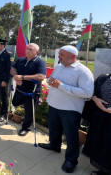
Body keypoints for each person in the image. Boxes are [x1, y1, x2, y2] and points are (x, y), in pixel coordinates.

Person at [38, 45, 94, 173]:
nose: (59, 56)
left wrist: (61, 86)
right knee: (54, 128)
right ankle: (54, 145)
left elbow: (87, 93)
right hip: (53, 104)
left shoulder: (83, 71)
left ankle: (71, 160)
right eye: (60, 54)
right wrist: (50, 81)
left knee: (71, 136)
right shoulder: (58, 66)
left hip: (70, 109)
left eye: (62, 54)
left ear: (72, 56)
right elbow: (51, 80)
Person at [11, 43, 46, 136]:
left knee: (29, 111)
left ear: (36, 52)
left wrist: (22, 77)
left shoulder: (40, 62)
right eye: (27, 48)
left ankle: (25, 128)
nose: (27, 50)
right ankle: (20, 116)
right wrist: (15, 77)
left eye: (30, 49)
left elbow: (41, 76)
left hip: (31, 91)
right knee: (15, 103)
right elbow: (13, 68)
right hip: (20, 89)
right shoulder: (21, 59)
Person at [82, 74, 111, 175]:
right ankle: (102, 170)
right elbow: (91, 92)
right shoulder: (103, 78)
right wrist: (95, 99)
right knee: (100, 143)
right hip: (100, 117)